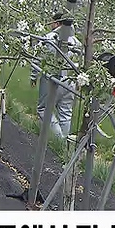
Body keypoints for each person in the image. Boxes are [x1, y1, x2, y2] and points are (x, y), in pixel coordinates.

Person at [30, 12, 83, 141]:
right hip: (71, 82)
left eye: (52, 22)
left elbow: (38, 58)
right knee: (66, 113)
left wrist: (33, 76)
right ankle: (64, 144)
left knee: (44, 110)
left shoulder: (49, 38)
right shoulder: (76, 42)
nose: (51, 25)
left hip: (52, 79)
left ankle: (59, 140)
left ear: (58, 23)